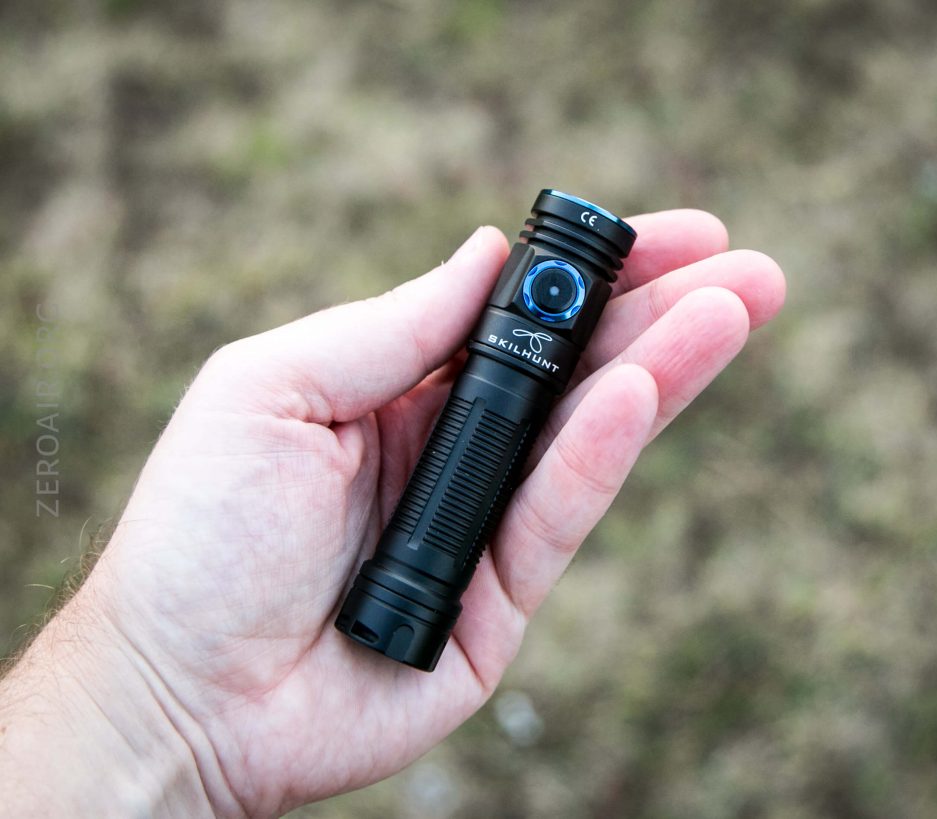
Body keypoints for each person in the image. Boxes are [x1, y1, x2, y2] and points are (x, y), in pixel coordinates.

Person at [0, 209, 785, 817]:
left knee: (604, 408)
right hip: (395, 565)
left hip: (434, 548)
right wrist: (150, 689)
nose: (555, 284)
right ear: (525, 259)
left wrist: (150, 709)